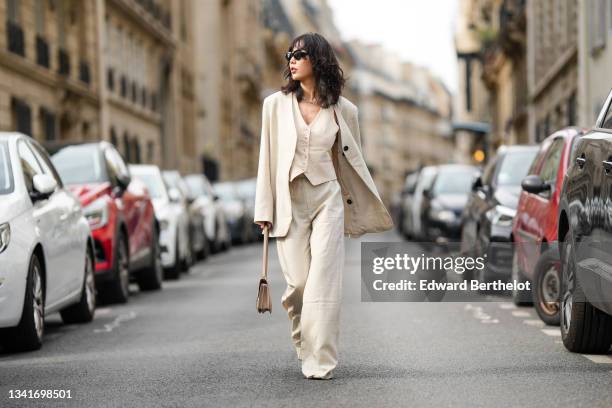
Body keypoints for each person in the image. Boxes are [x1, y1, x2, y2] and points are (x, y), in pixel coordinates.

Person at [254, 32, 394, 380]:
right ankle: (305, 337)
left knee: (324, 284)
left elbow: (350, 162)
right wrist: (264, 210)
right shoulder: (274, 106)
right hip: (289, 200)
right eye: (290, 54)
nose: (292, 59)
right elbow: (265, 161)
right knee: (300, 284)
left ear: (318, 60)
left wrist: (355, 207)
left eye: (300, 54)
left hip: (327, 198)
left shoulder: (345, 110)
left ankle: (321, 359)